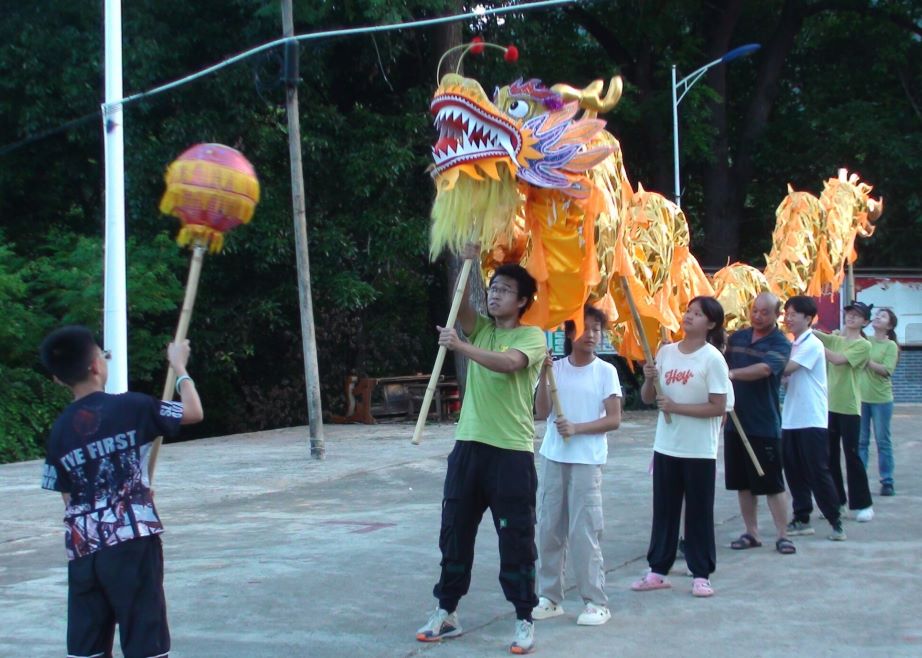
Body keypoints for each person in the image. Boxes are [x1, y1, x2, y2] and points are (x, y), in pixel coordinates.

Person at [39, 325, 204, 658]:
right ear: (97, 366)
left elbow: (70, 498)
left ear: (58, 379)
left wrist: (130, 491)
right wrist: (180, 368)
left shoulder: (57, 433)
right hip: (131, 541)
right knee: (145, 640)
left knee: (88, 647)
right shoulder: (133, 407)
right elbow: (193, 412)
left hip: (84, 550)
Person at [416, 244, 547, 655]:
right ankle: (447, 611)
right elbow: (461, 309)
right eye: (492, 288)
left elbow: (507, 364)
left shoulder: (531, 337)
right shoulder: (483, 328)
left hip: (510, 452)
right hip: (468, 447)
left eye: (505, 290)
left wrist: (460, 347)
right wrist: (468, 262)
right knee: (454, 531)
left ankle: (524, 617)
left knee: (516, 538)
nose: (495, 295)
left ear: (523, 301)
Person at [630, 296, 729, 598]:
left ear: (710, 324)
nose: (689, 317)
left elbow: (718, 407)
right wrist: (649, 379)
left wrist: (677, 407)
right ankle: (658, 570)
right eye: (688, 311)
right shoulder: (666, 352)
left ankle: (701, 574)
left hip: (698, 449)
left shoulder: (712, 359)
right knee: (665, 510)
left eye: (697, 314)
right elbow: (650, 399)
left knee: (699, 512)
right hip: (667, 446)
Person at [532, 306, 622, 626]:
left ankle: (595, 601)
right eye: (586, 328)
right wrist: (543, 374)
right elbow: (542, 412)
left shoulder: (606, 372)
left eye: (597, 329)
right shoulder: (555, 369)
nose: (592, 335)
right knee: (549, 528)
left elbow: (614, 419)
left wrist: (578, 428)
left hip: (587, 460)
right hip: (554, 456)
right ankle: (550, 596)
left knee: (584, 530)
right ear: (570, 333)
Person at [724, 292, 795, 554]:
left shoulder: (780, 342)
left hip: (763, 424)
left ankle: (782, 535)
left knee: (772, 483)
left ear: (777, 315)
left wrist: (729, 374)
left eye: (765, 312)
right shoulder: (738, 337)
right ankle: (751, 532)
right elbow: (721, 363)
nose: (758, 316)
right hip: (735, 421)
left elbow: (765, 370)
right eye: (755, 310)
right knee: (742, 484)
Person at [779, 296, 846, 541]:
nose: (788, 317)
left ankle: (835, 519)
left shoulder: (811, 343)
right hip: (791, 418)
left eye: (793, 313)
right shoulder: (793, 345)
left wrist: (762, 360)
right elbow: (787, 380)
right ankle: (802, 517)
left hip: (812, 419)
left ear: (808, 318)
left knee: (818, 471)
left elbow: (785, 369)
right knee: (794, 471)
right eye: (787, 312)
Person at [814, 301, 874, 522]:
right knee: (829, 456)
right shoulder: (837, 339)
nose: (851, 318)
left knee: (852, 455)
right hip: (829, 407)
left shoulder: (863, 345)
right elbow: (817, 335)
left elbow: (838, 360)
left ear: (864, 322)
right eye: (849, 313)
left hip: (849, 408)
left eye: (857, 316)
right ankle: (836, 502)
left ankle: (863, 504)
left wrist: (818, 344)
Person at [859, 308, 900, 496]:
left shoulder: (890, 345)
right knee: (861, 442)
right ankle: (859, 479)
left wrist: (866, 360)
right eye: (876, 315)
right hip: (861, 398)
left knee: (883, 441)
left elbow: (886, 370)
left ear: (889, 325)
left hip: (881, 400)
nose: (877, 317)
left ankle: (887, 480)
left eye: (882, 316)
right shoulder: (865, 340)